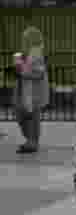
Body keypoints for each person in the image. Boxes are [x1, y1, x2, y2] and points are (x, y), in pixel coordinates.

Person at [13, 26, 49, 154]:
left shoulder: (37, 53)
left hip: (34, 92)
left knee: (32, 118)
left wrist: (23, 73)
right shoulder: (28, 53)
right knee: (24, 116)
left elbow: (39, 74)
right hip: (25, 90)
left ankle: (32, 143)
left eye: (26, 37)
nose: (23, 40)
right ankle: (30, 141)